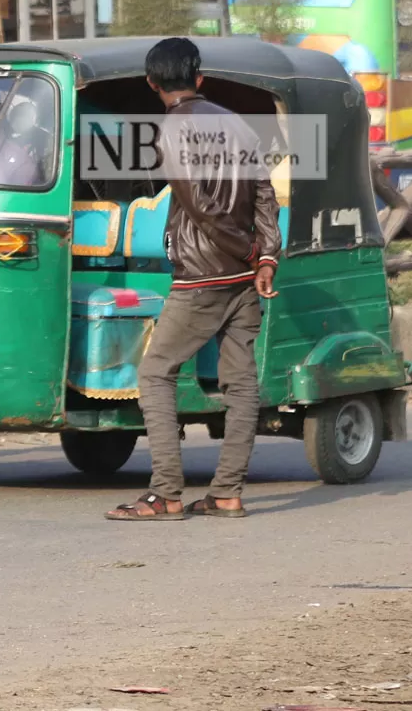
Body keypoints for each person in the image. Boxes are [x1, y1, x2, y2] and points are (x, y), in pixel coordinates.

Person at [106, 37, 280, 522]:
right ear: (199, 77)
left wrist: (248, 251)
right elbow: (266, 195)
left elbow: (201, 207)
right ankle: (226, 493)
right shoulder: (237, 123)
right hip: (244, 277)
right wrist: (266, 258)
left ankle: (165, 493)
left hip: (203, 276)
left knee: (155, 372)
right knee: (241, 382)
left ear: (151, 82)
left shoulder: (172, 129)